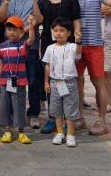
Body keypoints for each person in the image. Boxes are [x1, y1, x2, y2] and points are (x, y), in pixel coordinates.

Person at [64, 0, 111, 135]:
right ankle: (79, 118)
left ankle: (102, 120)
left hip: (94, 44)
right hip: (74, 45)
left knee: (98, 83)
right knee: (76, 82)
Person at [36, 0, 82, 134]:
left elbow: (76, 20)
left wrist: (78, 36)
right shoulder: (42, 2)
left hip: (67, 45)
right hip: (49, 45)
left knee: (67, 79)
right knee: (51, 80)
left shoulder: (71, 1)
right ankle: (52, 118)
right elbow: (38, 21)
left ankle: (68, 119)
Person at [0, 0, 43, 129]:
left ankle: (33, 114)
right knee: (11, 78)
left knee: (32, 79)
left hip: (29, 44)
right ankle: (11, 114)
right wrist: (6, 1)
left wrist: (35, 2)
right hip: (10, 46)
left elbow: (39, 19)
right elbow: (0, 17)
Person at [42, 18, 82, 147]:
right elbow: (47, 65)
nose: (58, 33)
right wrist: (46, 82)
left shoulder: (72, 46)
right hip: (55, 83)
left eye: (62, 30)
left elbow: (78, 53)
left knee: (70, 109)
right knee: (56, 109)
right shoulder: (50, 48)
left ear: (69, 33)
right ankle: (59, 132)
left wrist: (78, 40)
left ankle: (70, 133)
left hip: (69, 82)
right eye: (56, 30)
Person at [0, 15, 36, 145]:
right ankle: (7, 131)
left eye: (14, 30)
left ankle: (21, 132)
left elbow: (31, 39)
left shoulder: (23, 46)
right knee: (5, 106)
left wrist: (31, 26)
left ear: (21, 32)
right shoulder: (2, 46)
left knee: (19, 106)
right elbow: (1, 64)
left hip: (19, 82)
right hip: (5, 82)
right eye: (9, 29)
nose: (11, 32)